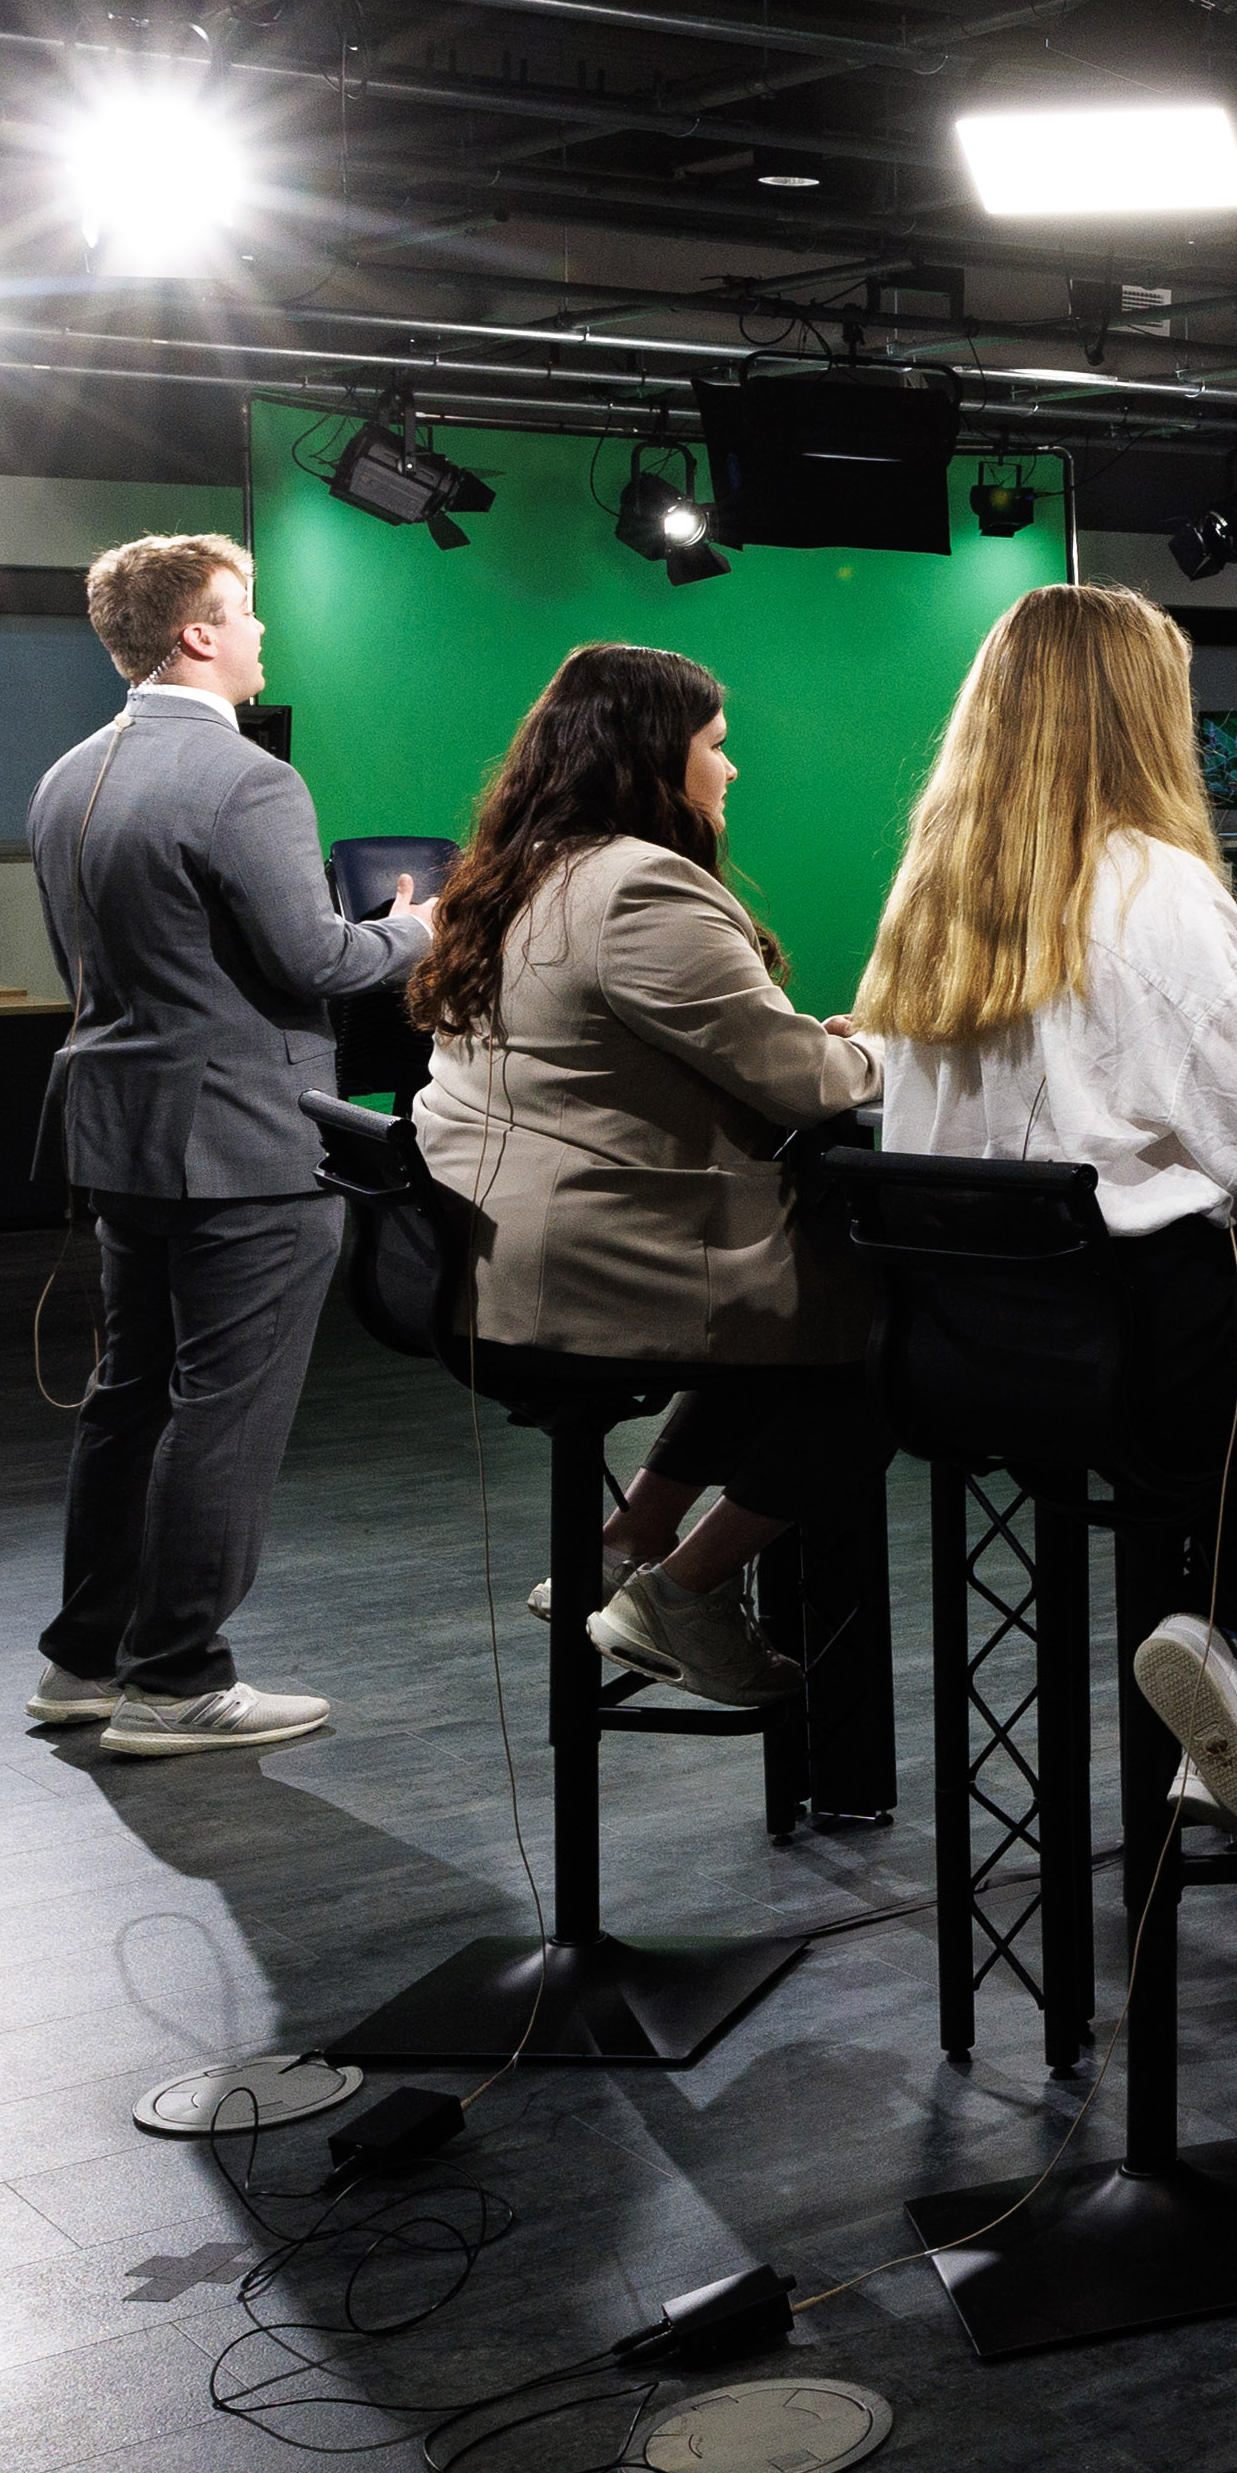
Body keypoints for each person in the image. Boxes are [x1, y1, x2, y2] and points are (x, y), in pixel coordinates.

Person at [854, 583, 1237, 1846]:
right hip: (1143, 1346)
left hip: (958, 1351)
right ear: (1141, 714)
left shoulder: (932, 890)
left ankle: (1234, 1660)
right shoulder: (1155, 887)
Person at [403, 643, 887, 1717]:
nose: (731, 770)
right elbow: (803, 1082)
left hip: (495, 1266)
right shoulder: (640, 885)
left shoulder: (512, 870)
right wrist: (887, 1046)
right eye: (715, 746)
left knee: (787, 1316)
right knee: (886, 1349)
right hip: (593, 1274)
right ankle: (684, 1590)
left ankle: (628, 1538)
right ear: (650, 759)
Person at [24, 535, 427, 1761]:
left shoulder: (63, 775)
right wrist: (419, 928)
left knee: (128, 1399)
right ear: (197, 632)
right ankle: (178, 1676)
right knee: (223, 1413)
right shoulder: (249, 778)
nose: (262, 635)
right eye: (247, 613)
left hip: (119, 1137)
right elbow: (317, 962)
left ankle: (83, 1661)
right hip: (246, 1143)